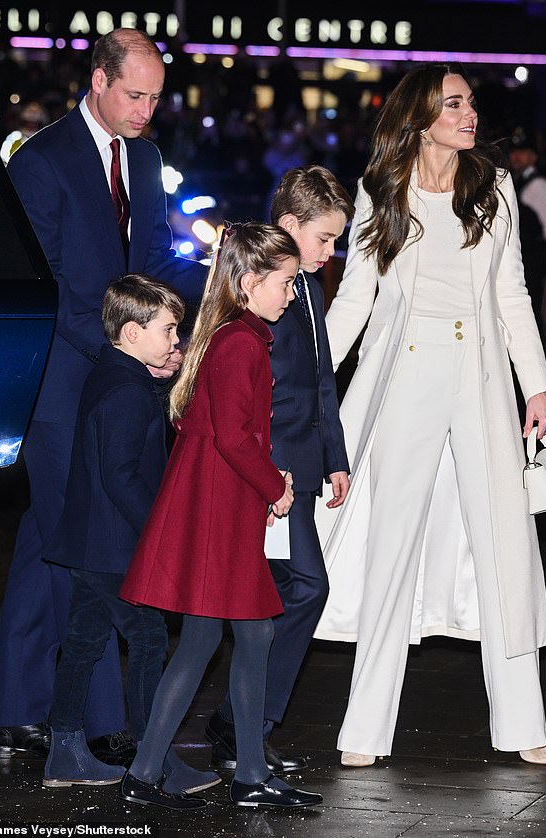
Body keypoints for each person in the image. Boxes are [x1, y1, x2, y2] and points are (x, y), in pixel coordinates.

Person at [312, 64, 546, 768]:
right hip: (405, 380)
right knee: (392, 546)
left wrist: (536, 387)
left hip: (480, 379)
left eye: (471, 102)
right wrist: (307, 379)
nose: (470, 113)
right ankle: (364, 733)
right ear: (421, 117)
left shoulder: (496, 187)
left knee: (503, 545)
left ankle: (524, 727)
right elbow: (355, 300)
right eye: (455, 103)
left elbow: (512, 294)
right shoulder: (381, 191)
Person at [0, 28, 206, 765]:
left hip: (121, 383)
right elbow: (44, 284)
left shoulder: (144, 159)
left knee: (52, 542)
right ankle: (100, 719)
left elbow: (147, 264)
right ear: (99, 81)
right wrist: (126, 352)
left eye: (155, 98)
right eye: (135, 95)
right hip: (63, 387)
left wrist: (208, 284)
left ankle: (15, 711)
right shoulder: (42, 161)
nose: (146, 111)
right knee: (98, 546)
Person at [118, 223, 322, 810]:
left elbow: (221, 429)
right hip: (222, 504)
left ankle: (151, 772)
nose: (293, 292)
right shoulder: (239, 341)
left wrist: (267, 475)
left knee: (208, 638)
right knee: (250, 631)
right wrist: (272, 486)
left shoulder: (233, 335)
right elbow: (235, 437)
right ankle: (244, 775)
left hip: (217, 500)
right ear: (251, 280)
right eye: (285, 282)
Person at [41, 275, 219, 800]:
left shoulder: (114, 373)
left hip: (90, 542)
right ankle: (153, 755)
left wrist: (163, 378)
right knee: (147, 639)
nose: (175, 342)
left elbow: (134, 408)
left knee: (84, 641)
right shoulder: (125, 389)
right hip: (116, 545)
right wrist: (159, 530)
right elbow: (122, 473)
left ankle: (65, 749)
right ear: (131, 332)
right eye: (168, 331)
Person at [206, 165, 351, 773]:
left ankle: (244, 721)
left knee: (286, 593)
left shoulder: (308, 290)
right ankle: (246, 720)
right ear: (288, 226)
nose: (330, 250)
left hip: (301, 469)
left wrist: (335, 458)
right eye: (324, 238)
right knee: (300, 589)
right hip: (270, 474)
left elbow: (321, 381)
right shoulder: (260, 291)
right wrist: (268, 473)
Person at [508, 132, 546, 332]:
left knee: (529, 314)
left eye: (522, 152)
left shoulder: (537, 184)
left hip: (532, 255)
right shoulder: (515, 181)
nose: (516, 157)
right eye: (514, 152)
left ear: (533, 157)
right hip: (522, 255)